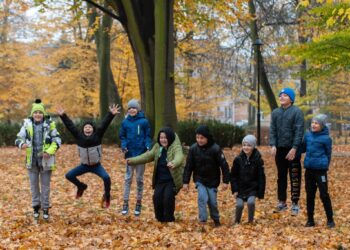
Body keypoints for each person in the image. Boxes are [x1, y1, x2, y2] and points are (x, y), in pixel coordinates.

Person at [56, 104, 120, 208]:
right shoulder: (78, 136)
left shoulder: (98, 135)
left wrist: (111, 114)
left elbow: (104, 124)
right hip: (84, 165)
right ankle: (81, 186)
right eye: (86, 127)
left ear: (93, 129)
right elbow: (70, 126)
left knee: (106, 178)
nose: (88, 129)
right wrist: (63, 115)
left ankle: (107, 196)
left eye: (90, 127)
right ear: (83, 129)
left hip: (96, 166)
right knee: (69, 175)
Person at [15, 99, 61, 220]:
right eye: (35, 112)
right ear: (32, 114)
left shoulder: (50, 124)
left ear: (43, 113)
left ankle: (45, 208)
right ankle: (36, 207)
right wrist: (22, 144)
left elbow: (57, 140)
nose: (38, 114)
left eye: (40, 112)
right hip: (32, 161)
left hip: (46, 161)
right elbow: (19, 138)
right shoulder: (27, 125)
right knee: (34, 186)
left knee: (45, 186)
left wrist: (49, 151)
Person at [127, 127, 184, 222]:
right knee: (157, 198)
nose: (163, 140)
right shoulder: (158, 147)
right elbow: (147, 156)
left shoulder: (175, 147)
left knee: (167, 198)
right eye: (161, 137)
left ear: (170, 138)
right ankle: (160, 219)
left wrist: (174, 163)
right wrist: (132, 160)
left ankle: (169, 219)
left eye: (165, 138)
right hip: (160, 180)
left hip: (172, 180)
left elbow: (179, 157)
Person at [183, 125, 230, 227]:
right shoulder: (193, 149)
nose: (199, 140)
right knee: (202, 198)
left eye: (202, 138)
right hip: (199, 179)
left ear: (207, 137)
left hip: (213, 181)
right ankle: (203, 220)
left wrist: (226, 181)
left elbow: (224, 165)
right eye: (197, 137)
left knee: (212, 202)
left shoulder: (216, 149)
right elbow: (188, 166)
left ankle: (216, 219)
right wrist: (185, 182)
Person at [270, 87, 304, 215]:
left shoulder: (297, 112)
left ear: (291, 98)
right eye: (280, 95)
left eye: (284, 95)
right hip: (280, 150)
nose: (281, 97)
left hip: (293, 151)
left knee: (295, 176)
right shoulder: (275, 113)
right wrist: (273, 144)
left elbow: (299, 131)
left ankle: (295, 203)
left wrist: (295, 148)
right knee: (281, 176)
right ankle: (282, 202)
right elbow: (273, 130)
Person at [119, 99, 152, 216]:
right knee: (128, 179)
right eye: (129, 108)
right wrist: (124, 146)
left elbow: (148, 136)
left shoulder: (144, 122)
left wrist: (148, 146)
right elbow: (122, 136)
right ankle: (125, 203)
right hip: (129, 155)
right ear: (128, 110)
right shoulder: (125, 122)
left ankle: (138, 202)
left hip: (141, 155)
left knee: (139, 179)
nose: (131, 110)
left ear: (137, 109)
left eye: (133, 108)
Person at [301, 114, 335, 228]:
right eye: (312, 123)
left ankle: (330, 220)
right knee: (310, 194)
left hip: (321, 171)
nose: (313, 125)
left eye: (316, 123)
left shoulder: (326, 138)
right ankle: (310, 220)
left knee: (324, 194)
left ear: (322, 126)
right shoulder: (308, 136)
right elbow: (302, 148)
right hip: (309, 169)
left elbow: (328, 153)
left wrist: (325, 165)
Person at [230, 135, 265, 224]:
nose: (246, 147)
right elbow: (233, 176)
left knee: (250, 203)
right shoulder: (238, 159)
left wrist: (260, 193)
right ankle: (237, 222)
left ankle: (250, 221)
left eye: (249, 145)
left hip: (252, 188)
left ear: (253, 146)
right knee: (239, 205)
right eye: (244, 145)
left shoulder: (258, 160)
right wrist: (235, 190)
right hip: (240, 188)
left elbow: (261, 177)